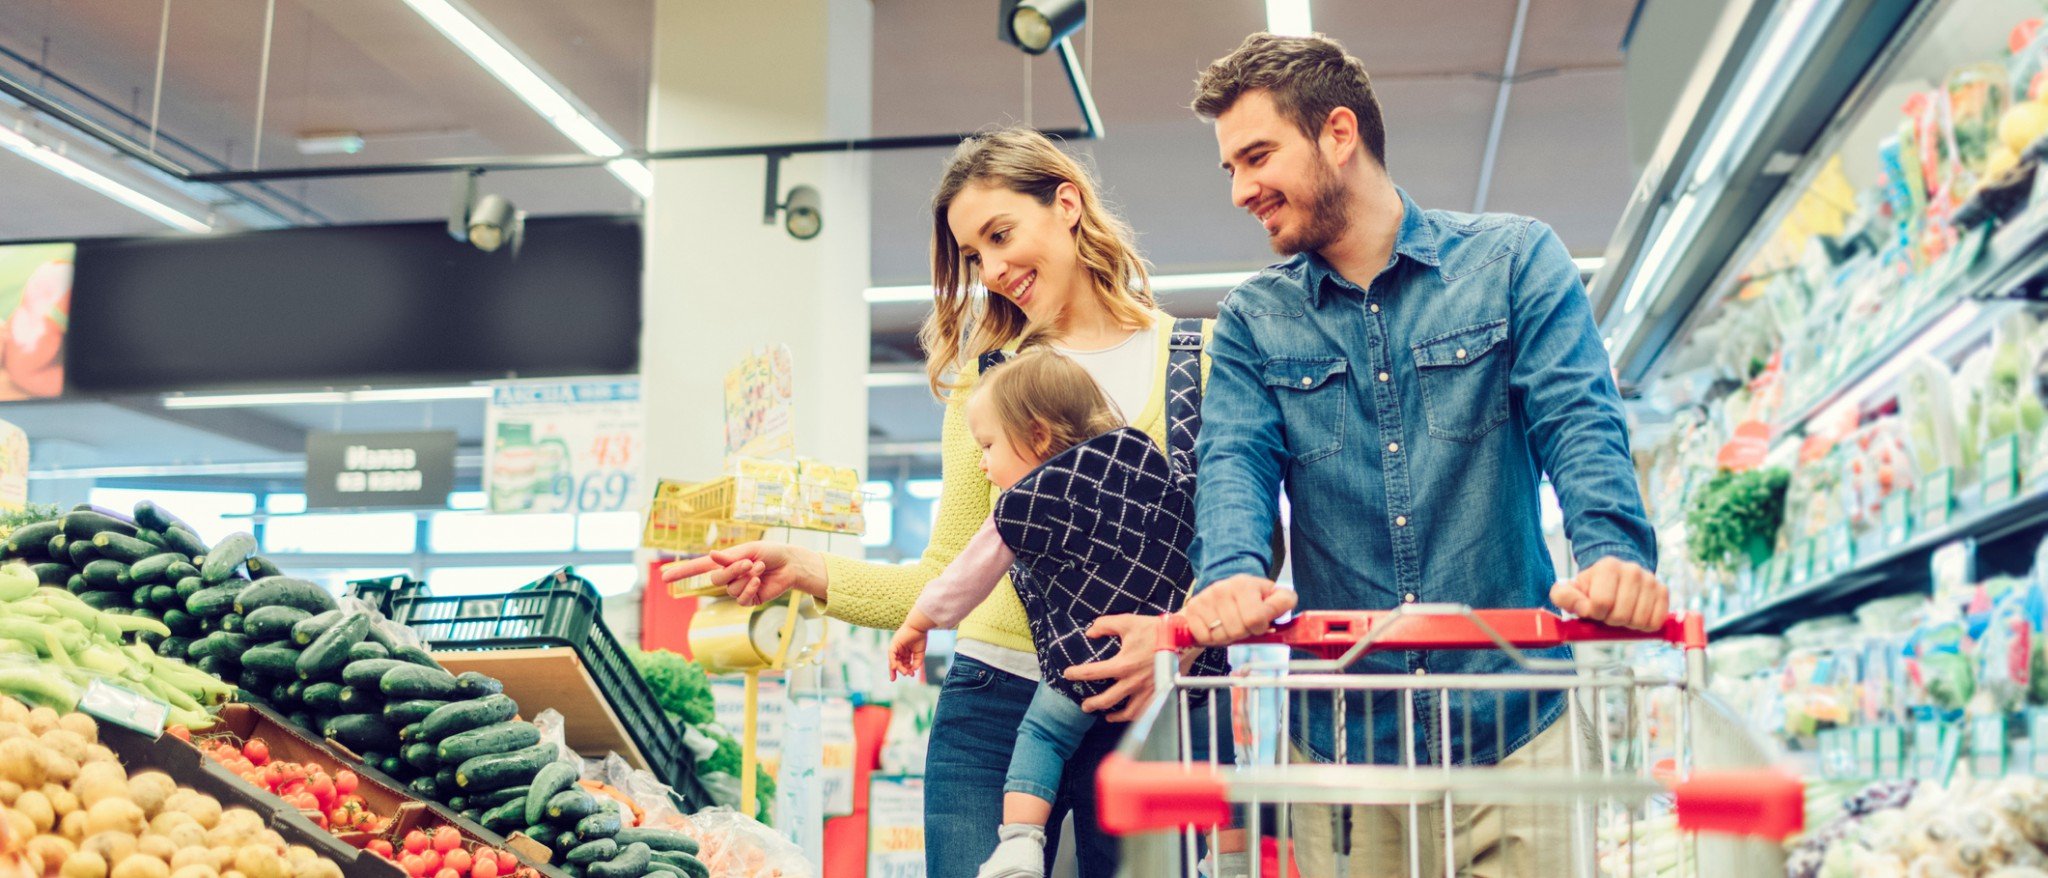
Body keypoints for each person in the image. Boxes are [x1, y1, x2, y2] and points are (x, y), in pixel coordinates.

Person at [1069, 32, 1668, 875]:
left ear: (1338, 134)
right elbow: (1233, 464)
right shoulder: (1252, 320)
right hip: (1346, 751)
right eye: (1230, 168)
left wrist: (1612, 556)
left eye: (1257, 156)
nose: (1241, 189)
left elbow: (1580, 420)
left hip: (1519, 731)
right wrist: (1229, 573)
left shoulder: (1513, 261)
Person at [662, 127, 1216, 877]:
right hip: (993, 704)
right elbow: (948, 573)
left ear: (1068, 203)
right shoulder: (984, 388)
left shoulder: (1198, 359)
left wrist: (1180, 636)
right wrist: (803, 569)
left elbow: (1232, 552)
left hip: (1145, 705)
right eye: (973, 255)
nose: (992, 269)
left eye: (1000, 234)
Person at [889, 337, 1222, 878]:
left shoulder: (1025, 504)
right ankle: (1224, 854)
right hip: (1171, 671)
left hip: (1082, 660)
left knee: (1042, 735)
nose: (982, 463)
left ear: (1037, 434)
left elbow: (959, 581)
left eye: (990, 446)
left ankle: (1020, 840)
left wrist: (918, 621)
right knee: (1206, 758)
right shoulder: (1143, 461)